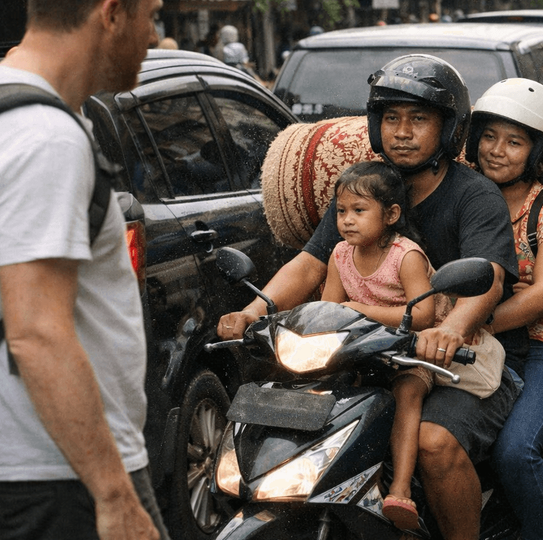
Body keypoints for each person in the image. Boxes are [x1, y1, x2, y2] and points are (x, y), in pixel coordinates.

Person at [218, 54, 522, 540]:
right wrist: (255, 310)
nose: (402, 131)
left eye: (418, 119)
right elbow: (312, 262)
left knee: (432, 441)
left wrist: (449, 329)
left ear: (448, 129)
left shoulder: (474, 194)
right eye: (391, 118)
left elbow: (488, 278)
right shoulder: (365, 186)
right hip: (365, 356)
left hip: (454, 361)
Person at [0, 1, 167, 540]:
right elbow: (37, 333)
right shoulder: (46, 138)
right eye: (151, 15)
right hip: (63, 475)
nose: (154, 35)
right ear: (112, 14)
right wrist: (113, 493)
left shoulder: (10, 111)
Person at [464, 78, 543, 540]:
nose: (497, 150)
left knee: (515, 450)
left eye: (514, 142)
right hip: (479, 346)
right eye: (489, 137)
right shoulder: (466, 198)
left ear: (538, 152)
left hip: (538, 348)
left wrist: (468, 322)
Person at [319, 161, 436, 529]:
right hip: (365, 353)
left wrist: (359, 309)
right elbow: (328, 311)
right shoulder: (339, 255)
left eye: (358, 210)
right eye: (341, 211)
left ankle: (400, 489)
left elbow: (422, 316)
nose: (347, 220)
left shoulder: (406, 256)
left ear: (391, 214)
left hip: (413, 352)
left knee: (406, 392)